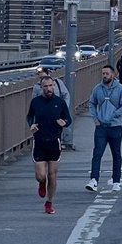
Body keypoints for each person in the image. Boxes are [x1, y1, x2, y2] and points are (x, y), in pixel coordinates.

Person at [27, 74, 72, 215]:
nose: (49, 89)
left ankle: (49, 202)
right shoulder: (36, 102)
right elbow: (29, 116)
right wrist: (31, 125)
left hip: (54, 142)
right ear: (41, 88)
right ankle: (41, 183)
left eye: (51, 86)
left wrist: (64, 123)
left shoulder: (60, 102)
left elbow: (68, 118)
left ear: (54, 86)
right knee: (41, 175)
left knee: (52, 175)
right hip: (40, 141)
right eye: (45, 86)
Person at [87, 65, 122, 193]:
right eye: (103, 74)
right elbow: (92, 103)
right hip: (101, 127)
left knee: (116, 154)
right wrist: (95, 118)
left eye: (107, 73)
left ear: (113, 74)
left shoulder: (121, 89)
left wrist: (114, 115)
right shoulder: (98, 89)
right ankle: (93, 180)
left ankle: (116, 181)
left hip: (115, 127)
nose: (105, 76)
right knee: (97, 153)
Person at [34, 67, 74, 150]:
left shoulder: (58, 83)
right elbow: (34, 101)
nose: (42, 79)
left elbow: (66, 95)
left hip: (56, 114)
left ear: (49, 75)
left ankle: (56, 149)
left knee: (56, 133)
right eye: (41, 78)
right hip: (43, 116)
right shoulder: (37, 87)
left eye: (44, 77)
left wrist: (63, 108)